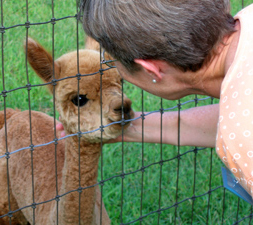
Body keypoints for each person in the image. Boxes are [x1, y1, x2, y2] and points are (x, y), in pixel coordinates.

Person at [57, 1, 253, 198]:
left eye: (117, 68)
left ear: (152, 69)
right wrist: (110, 125)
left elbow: (238, 128)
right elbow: (225, 120)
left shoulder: (241, 139)